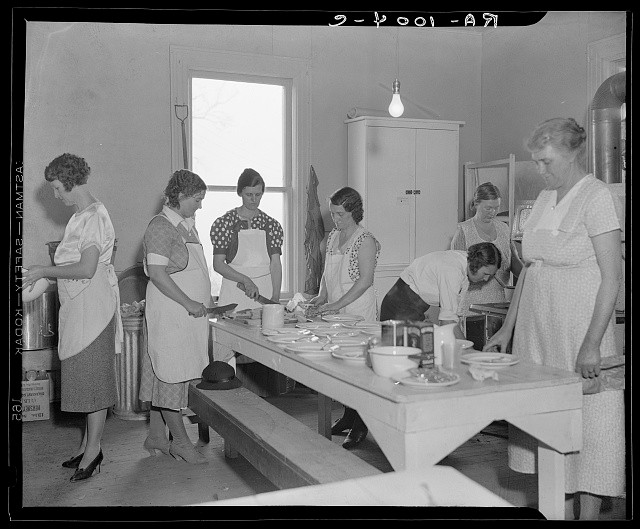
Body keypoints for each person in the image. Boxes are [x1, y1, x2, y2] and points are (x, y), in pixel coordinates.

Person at [483, 118, 624, 520]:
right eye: (537, 162)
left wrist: (593, 344)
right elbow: (530, 268)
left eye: (546, 161)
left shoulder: (596, 197)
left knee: (590, 426)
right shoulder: (545, 198)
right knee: (546, 426)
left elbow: (612, 277)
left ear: (571, 152)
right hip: (537, 329)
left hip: (579, 328)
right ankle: (555, 513)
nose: (541, 170)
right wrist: (508, 328)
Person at [22, 153, 121, 482]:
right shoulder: (80, 216)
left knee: (93, 382)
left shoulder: (93, 216)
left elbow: (86, 268)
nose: (54, 194)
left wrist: (42, 270)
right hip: (79, 307)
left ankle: (94, 452)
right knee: (83, 377)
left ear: (70, 181)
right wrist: (43, 277)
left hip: (94, 309)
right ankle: (85, 445)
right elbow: (70, 268)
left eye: (55, 187)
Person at [140, 169, 210, 465]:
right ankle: (181, 443)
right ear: (180, 197)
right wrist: (188, 302)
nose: (200, 205)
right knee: (169, 376)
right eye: (197, 199)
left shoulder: (186, 226)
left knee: (171, 374)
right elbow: (156, 273)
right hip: (172, 313)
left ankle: (156, 436)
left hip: (187, 316)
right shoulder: (160, 226)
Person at [309, 186, 381, 449]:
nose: (335, 219)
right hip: (336, 308)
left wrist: (337, 304)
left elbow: (365, 281)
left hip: (358, 310)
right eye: (333, 214)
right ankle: (348, 416)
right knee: (341, 367)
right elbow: (328, 274)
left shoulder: (365, 240)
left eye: (340, 214)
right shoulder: (332, 238)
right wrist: (320, 297)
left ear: (354, 211)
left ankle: (361, 424)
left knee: (359, 369)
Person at [210, 168, 284, 369]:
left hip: (264, 289)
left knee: (265, 345)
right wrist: (244, 279)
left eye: (258, 195)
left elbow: (275, 263)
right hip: (234, 287)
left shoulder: (272, 225)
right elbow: (218, 264)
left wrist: (275, 298)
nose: (253, 199)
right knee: (227, 345)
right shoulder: (224, 223)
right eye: (249, 194)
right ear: (240, 192)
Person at [379, 242, 502, 340]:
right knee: (403, 357)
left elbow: (452, 316)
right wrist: (468, 351)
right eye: (485, 274)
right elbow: (447, 322)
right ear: (476, 264)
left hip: (411, 307)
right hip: (398, 306)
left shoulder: (464, 265)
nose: (486, 279)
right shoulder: (452, 270)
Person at [450, 182, 523, 313]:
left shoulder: (504, 229)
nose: (493, 213)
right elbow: (455, 275)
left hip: (498, 303)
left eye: (497, 208)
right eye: (488, 208)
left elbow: (513, 263)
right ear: (476, 204)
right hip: (470, 305)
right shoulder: (464, 231)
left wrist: (530, 272)